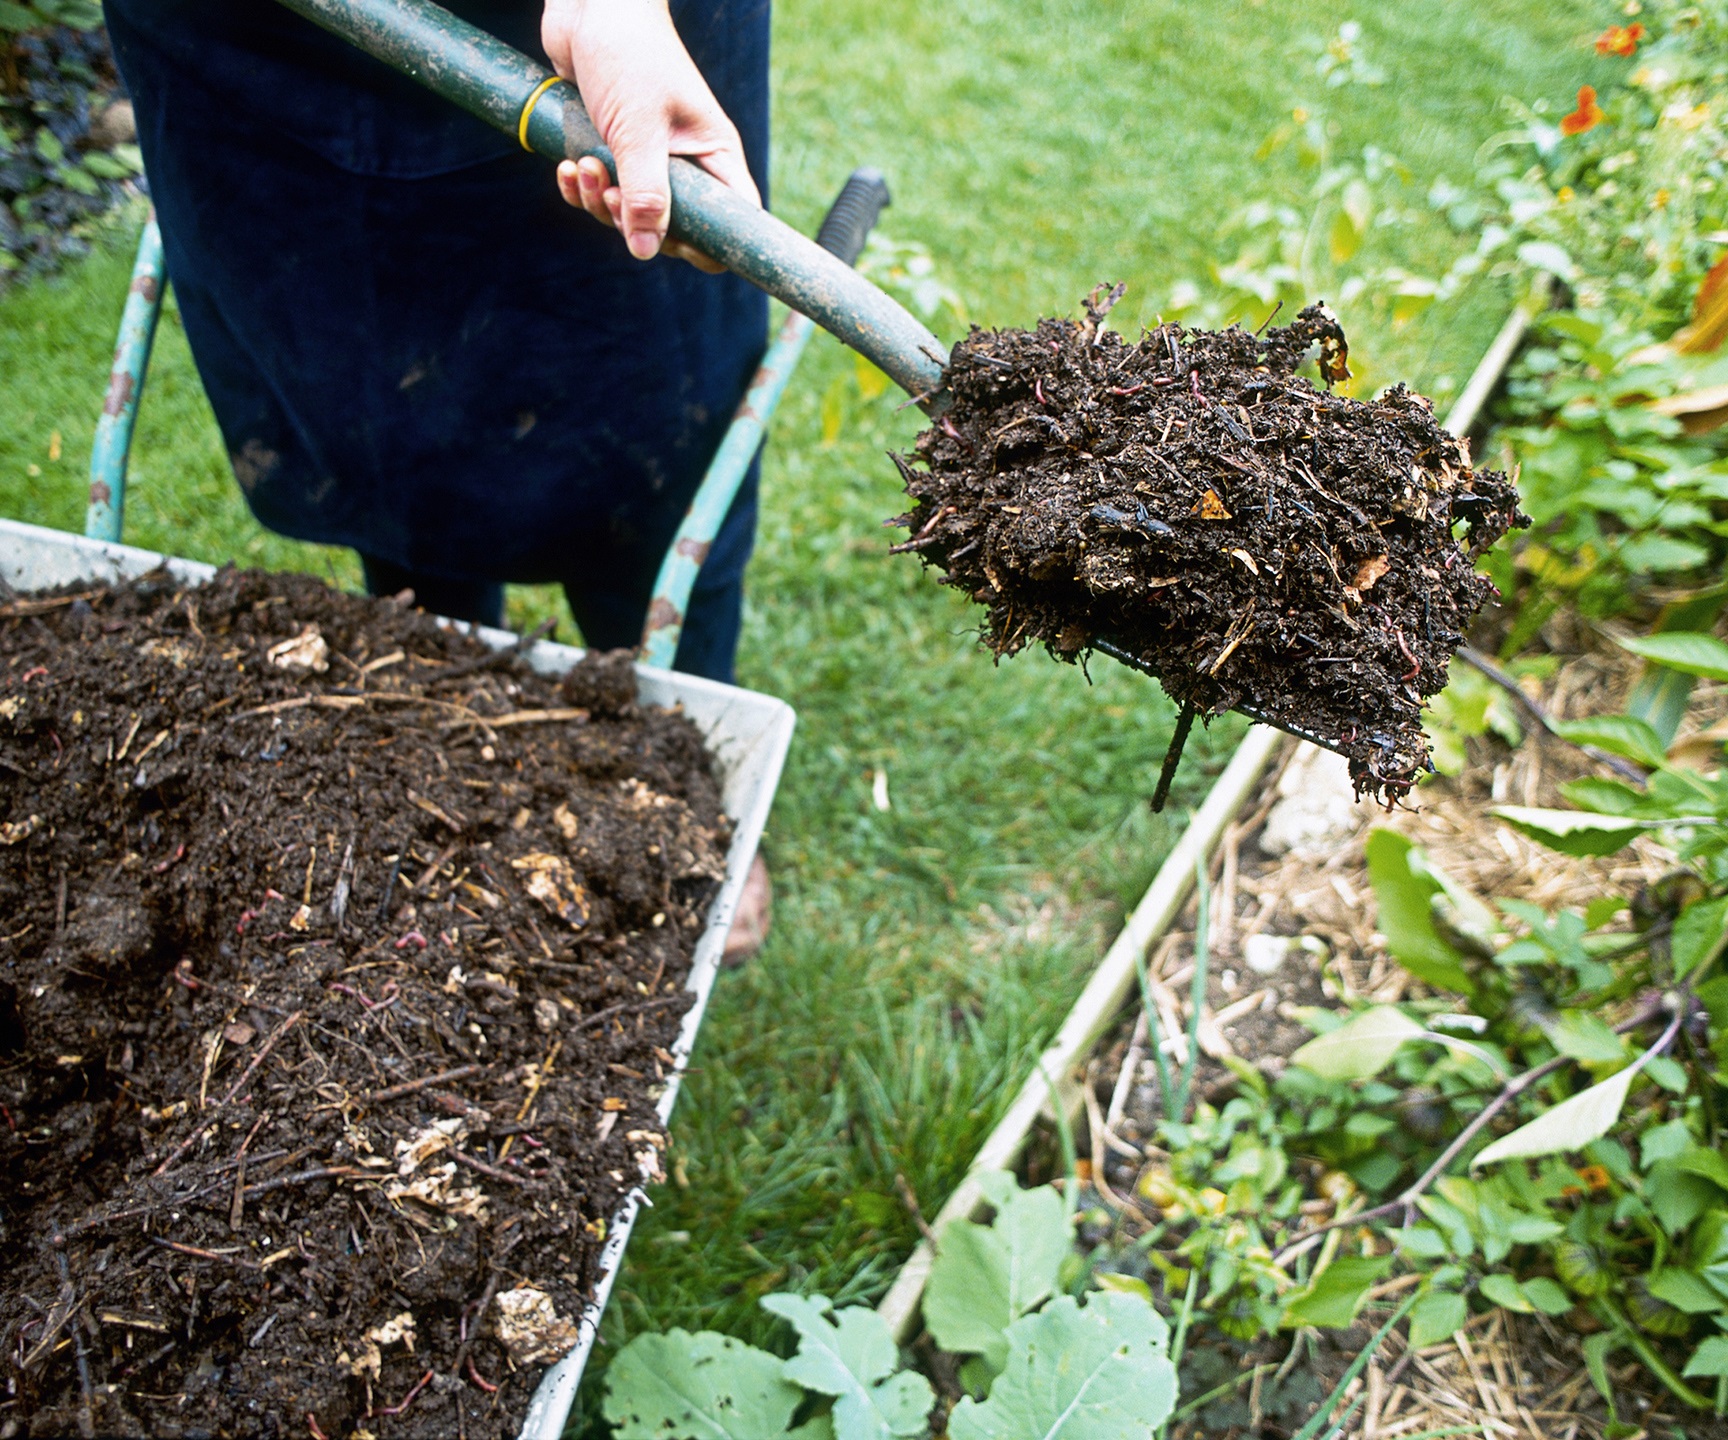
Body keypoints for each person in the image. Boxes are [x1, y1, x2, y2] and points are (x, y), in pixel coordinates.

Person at [102, 0, 774, 956]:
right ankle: (445, 757)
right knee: (372, 423)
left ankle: (690, 782)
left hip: (597, 36)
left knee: (656, 435)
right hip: (261, 49)